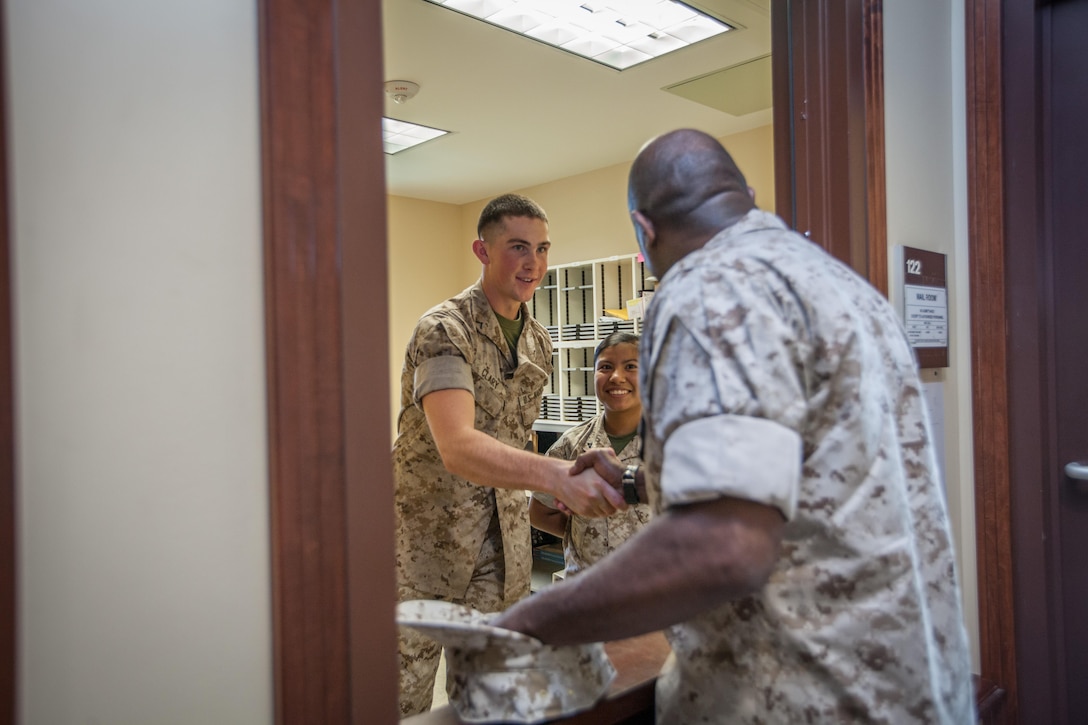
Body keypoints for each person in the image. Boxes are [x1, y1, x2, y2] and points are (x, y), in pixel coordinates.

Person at [492, 131, 975, 723]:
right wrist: (645, 483)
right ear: (744, 197)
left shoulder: (705, 290)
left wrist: (529, 623)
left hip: (805, 695)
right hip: (912, 685)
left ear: (644, 233)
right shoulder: (840, 285)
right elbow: (815, 467)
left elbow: (724, 549)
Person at [392, 193, 627, 717]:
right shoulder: (443, 331)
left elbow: (515, 440)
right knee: (404, 702)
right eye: (518, 247)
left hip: (504, 554)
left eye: (542, 249)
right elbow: (457, 446)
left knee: (492, 701)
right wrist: (559, 475)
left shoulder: (539, 342)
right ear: (483, 250)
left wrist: (552, 493)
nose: (534, 263)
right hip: (426, 550)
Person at [530, 332, 651, 577]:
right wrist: (584, 535)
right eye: (605, 367)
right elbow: (539, 511)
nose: (617, 377)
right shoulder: (573, 444)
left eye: (631, 367)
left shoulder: (673, 444)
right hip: (585, 589)